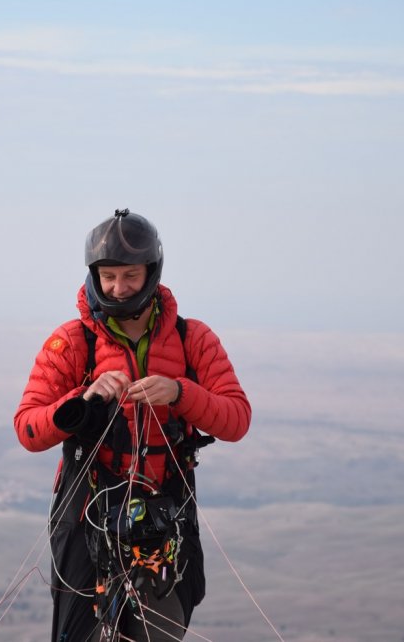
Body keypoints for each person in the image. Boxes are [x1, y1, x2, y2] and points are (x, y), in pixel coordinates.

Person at [14, 209, 251, 641]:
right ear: (94, 275)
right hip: (87, 515)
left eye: (130, 276)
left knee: (160, 633)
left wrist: (180, 393)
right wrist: (82, 399)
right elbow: (28, 428)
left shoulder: (193, 338)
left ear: (151, 273)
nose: (118, 288)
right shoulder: (72, 341)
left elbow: (236, 419)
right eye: (108, 277)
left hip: (166, 516)